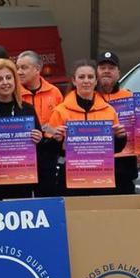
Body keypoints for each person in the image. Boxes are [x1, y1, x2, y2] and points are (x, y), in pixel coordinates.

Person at [46, 60, 128, 196]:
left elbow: (116, 148)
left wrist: (120, 137)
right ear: (74, 80)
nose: (86, 81)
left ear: (96, 81)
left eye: (90, 77)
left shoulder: (109, 110)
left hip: (101, 176)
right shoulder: (60, 111)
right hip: (71, 176)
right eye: (81, 77)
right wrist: (57, 140)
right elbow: (51, 150)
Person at [0, 58, 45, 201]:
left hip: (20, 183)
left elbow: (39, 147)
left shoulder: (27, 109)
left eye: (9, 77)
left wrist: (39, 138)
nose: (5, 82)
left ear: (15, 80)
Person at [16, 50, 65, 196]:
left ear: (37, 69)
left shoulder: (54, 92)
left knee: (46, 195)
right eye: (17, 67)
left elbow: (61, 120)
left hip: (48, 153)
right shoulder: (14, 93)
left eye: (24, 68)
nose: (19, 72)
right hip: (22, 153)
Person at [96, 51, 138, 194]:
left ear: (118, 73)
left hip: (124, 167)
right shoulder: (88, 98)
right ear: (96, 71)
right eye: (102, 67)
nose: (107, 71)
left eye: (111, 68)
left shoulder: (130, 98)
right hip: (96, 167)